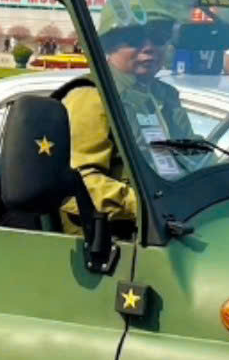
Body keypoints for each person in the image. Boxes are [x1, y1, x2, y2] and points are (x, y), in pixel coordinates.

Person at [67, 17, 194, 228]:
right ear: (110, 45)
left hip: (172, 219)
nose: (149, 48)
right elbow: (82, 181)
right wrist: (147, 205)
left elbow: (193, 156)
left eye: (159, 38)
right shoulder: (93, 95)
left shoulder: (165, 95)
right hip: (114, 231)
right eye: (134, 39)